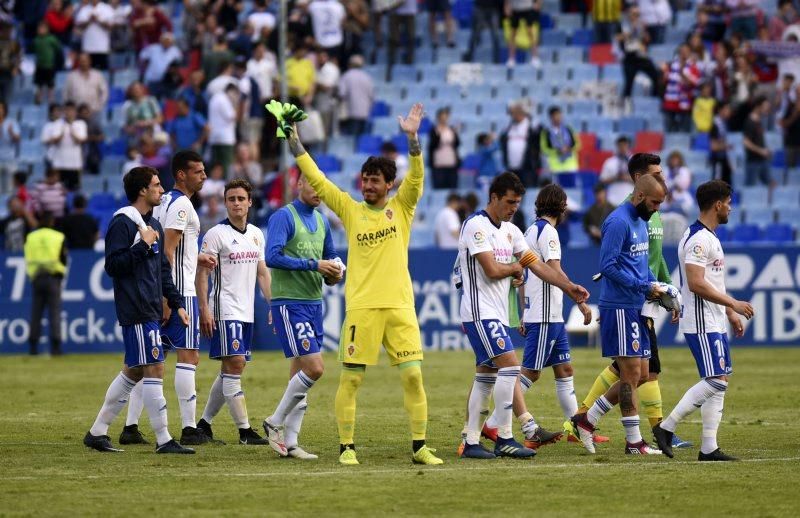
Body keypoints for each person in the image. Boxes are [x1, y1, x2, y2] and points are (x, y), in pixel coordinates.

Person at [282, 102, 443, 466]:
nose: (368, 185)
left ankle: (419, 447)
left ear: (389, 184)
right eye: (365, 180)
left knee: (414, 378)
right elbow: (317, 177)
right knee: (352, 380)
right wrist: (294, 140)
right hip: (363, 308)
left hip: (400, 307)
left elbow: (417, 177)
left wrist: (413, 139)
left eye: (375, 181)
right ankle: (347, 448)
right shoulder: (351, 210)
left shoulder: (402, 208)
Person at [457, 173, 589, 459]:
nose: (514, 207)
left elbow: (538, 266)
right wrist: (515, 269)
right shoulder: (475, 226)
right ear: (493, 197)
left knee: (486, 375)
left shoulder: (512, 231)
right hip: (479, 312)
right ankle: (504, 435)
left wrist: (569, 288)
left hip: (496, 314)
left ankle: (470, 441)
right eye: (509, 201)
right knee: (511, 367)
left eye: (517, 202)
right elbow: (493, 270)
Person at [575, 153, 691, 449]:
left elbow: (642, 265)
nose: (656, 210)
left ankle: (586, 420)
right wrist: (644, 286)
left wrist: (661, 289)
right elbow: (609, 266)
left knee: (639, 374)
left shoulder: (642, 220)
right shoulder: (617, 222)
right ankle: (634, 441)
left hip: (637, 305)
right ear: (639, 194)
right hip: (619, 306)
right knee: (630, 375)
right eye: (653, 203)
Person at [83, 166, 194, 454]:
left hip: (151, 309)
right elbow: (113, 265)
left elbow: (163, 272)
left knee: (135, 371)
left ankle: (97, 432)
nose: (161, 189)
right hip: (136, 308)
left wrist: (177, 302)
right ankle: (164, 439)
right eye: (156, 185)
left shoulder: (154, 226)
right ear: (143, 190)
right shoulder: (123, 222)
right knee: (155, 367)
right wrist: (142, 247)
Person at [653, 180, 755, 461]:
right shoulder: (699, 239)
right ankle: (666, 427)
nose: (731, 209)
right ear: (718, 204)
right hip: (701, 321)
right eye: (729, 203)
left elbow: (712, 282)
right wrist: (733, 303)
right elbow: (697, 284)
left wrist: (730, 312)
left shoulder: (708, 236)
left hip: (714, 318)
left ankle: (708, 447)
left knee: (720, 379)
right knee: (716, 381)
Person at [121, 150, 214, 446]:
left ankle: (131, 426)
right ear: (182, 174)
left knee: (146, 361)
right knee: (189, 356)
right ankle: (189, 427)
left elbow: (169, 248)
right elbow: (169, 251)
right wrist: (168, 297)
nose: (204, 176)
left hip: (159, 290)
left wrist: (197, 256)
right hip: (179, 292)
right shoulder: (181, 203)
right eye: (198, 171)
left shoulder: (162, 203)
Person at [261, 173, 343, 459]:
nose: (318, 192)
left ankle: (292, 442)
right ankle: (274, 422)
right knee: (315, 368)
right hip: (289, 303)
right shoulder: (284, 216)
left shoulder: (322, 221)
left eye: (323, 187)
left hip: (313, 302)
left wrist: (334, 272)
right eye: (313, 185)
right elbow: (272, 256)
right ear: (299, 185)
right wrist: (313, 264)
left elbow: (331, 257)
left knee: (299, 374)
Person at [195, 178, 271, 446]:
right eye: (231, 199)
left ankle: (203, 424)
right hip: (224, 308)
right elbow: (202, 274)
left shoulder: (256, 234)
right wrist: (204, 309)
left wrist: (272, 303)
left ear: (250, 202)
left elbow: (262, 272)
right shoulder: (216, 234)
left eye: (241, 198)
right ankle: (245, 431)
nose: (236, 203)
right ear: (225, 203)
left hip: (246, 310)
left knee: (231, 367)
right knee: (236, 364)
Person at [516, 185, 593, 438]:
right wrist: (578, 298)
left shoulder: (531, 229)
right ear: (561, 206)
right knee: (530, 373)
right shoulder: (548, 232)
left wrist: (522, 312)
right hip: (545, 315)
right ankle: (495, 424)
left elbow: (526, 275)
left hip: (551, 314)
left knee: (565, 369)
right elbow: (554, 271)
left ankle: (575, 429)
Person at [23, 211, 66, 356]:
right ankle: (56, 347)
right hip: (53, 278)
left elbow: (27, 256)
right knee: (54, 313)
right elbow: (63, 258)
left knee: (36, 313)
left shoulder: (30, 237)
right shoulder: (58, 237)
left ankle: (33, 347)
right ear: (51, 222)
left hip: (36, 278)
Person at [617, 6, 661, 105]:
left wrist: (644, 33)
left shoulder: (642, 25)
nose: (636, 16)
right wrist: (631, 31)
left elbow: (648, 40)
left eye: (638, 14)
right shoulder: (622, 25)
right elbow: (617, 38)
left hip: (641, 57)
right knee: (628, 83)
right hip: (629, 57)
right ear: (629, 14)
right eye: (634, 14)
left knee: (656, 76)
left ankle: (653, 101)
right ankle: (625, 105)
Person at [45, 101, 87, 191]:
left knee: (74, 189)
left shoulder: (80, 124)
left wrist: (72, 129)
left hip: (74, 164)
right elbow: (54, 140)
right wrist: (62, 132)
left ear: (75, 112)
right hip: (59, 163)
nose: (69, 113)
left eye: (71, 111)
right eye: (67, 110)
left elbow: (80, 140)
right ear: (64, 111)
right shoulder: (57, 124)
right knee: (57, 190)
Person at [500, 101, 540, 187]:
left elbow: (537, 140)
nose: (515, 115)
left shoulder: (531, 125)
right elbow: (502, 140)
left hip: (527, 167)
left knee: (528, 190)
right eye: (513, 113)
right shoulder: (508, 126)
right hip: (511, 167)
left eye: (517, 112)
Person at [63, 53, 109, 118]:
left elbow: (104, 93)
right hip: (76, 114)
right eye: (81, 61)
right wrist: (71, 110)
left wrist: (99, 106)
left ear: (90, 61)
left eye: (85, 61)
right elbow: (65, 94)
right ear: (78, 62)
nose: (83, 63)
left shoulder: (97, 75)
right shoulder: (71, 76)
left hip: (94, 112)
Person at [139, 32, 183, 100]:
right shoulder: (153, 48)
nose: (166, 42)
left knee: (170, 101)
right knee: (153, 101)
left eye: (168, 41)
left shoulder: (175, 51)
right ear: (161, 40)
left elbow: (178, 64)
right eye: (164, 40)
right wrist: (145, 67)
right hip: (153, 81)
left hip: (167, 82)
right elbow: (142, 56)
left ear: (172, 42)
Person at [338, 54, 374, 136]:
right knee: (361, 140)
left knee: (351, 140)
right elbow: (372, 96)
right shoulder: (367, 77)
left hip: (351, 113)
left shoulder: (346, 76)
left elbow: (341, 94)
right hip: (364, 113)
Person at [74, 0, 113, 71]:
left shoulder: (106, 8)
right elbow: (78, 25)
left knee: (103, 73)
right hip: (88, 48)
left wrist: (98, 20)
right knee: (88, 72)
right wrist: (89, 20)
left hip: (102, 48)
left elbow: (110, 26)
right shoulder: (84, 9)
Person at [208, 83, 239, 171]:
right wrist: (235, 104)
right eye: (235, 94)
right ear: (231, 91)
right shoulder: (224, 100)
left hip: (214, 137)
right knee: (226, 166)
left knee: (215, 166)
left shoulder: (214, 98)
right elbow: (232, 116)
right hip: (225, 139)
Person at [540, 106, 579, 176]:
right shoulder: (546, 132)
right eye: (555, 115)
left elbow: (577, 144)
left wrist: (568, 148)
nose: (557, 118)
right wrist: (558, 151)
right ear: (551, 117)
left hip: (570, 166)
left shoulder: (568, 129)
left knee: (571, 187)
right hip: (554, 167)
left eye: (559, 115)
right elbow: (544, 149)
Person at [743, 96, 773, 186]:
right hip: (753, 162)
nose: (767, 109)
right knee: (750, 188)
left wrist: (766, 150)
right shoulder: (749, 121)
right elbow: (746, 142)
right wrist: (761, 151)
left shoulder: (759, 120)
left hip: (762, 160)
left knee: (770, 184)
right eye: (765, 106)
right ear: (758, 106)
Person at [428, 108, 461, 189]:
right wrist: (439, 133)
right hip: (438, 164)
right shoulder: (434, 130)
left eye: (446, 117)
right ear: (438, 118)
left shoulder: (451, 130)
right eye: (442, 117)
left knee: (452, 187)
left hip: (451, 163)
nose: (444, 119)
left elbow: (457, 144)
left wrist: (456, 132)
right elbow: (433, 145)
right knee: (439, 188)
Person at [505, 0, 542, 69]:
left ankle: (535, 58)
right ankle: (511, 59)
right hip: (515, 9)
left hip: (528, 8)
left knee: (531, 33)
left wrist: (538, 3)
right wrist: (507, 6)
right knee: (512, 34)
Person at [32, 21, 62, 105]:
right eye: (39, 28)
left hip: (50, 66)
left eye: (43, 28)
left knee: (50, 84)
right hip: (39, 66)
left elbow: (57, 48)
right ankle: (38, 99)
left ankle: (51, 100)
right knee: (39, 84)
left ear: (48, 30)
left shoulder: (51, 39)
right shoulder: (36, 40)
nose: (41, 30)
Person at [599, 136, 633, 206]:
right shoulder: (609, 161)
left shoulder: (635, 161)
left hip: (630, 199)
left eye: (625, 145)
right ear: (617, 146)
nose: (622, 148)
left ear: (628, 146)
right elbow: (602, 180)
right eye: (620, 145)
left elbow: (641, 180)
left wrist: (627, 178)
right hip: (612, 199)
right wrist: (616, 178)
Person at [710, 101, 733, 186]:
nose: (729, 111)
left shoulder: (725, 124)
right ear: (720, 110)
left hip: (725, 161)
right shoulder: (715, 125)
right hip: (718, 161)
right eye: (727, 109)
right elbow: (713, 146)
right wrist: (727, 146)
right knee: (717, 188)